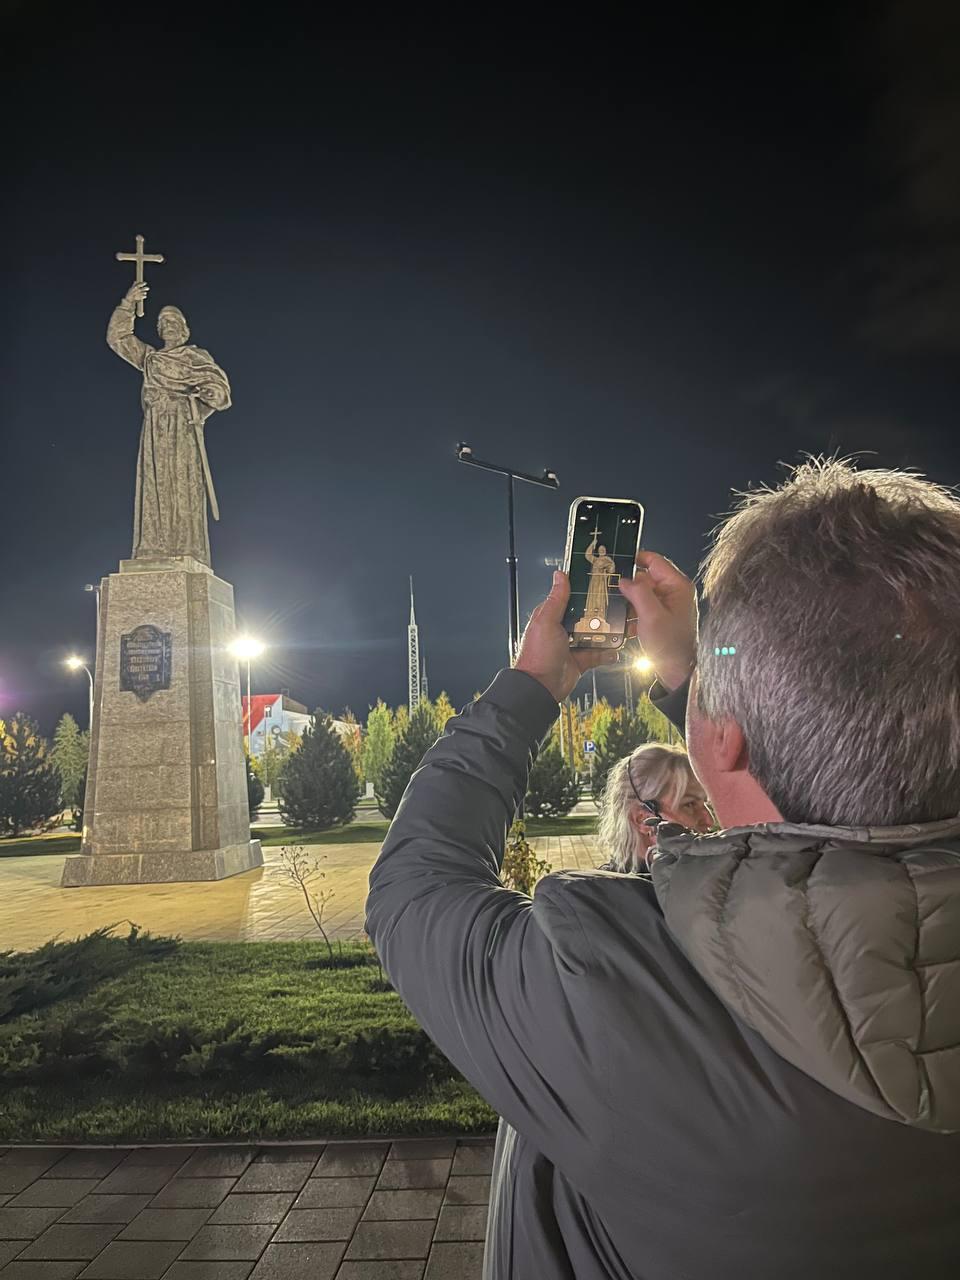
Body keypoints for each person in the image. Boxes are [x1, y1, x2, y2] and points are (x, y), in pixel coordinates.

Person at [366, 459, 960, 1279]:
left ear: (722, 738)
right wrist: (701, 680)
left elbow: (414, 888)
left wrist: (533, 684)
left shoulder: (612, 981)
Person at [596, 743, 712, 872]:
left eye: (706, 804)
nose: (709, 820)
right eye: (689, 804)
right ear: (643, 820)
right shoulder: (606, 891)